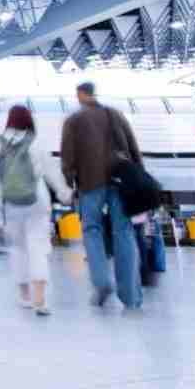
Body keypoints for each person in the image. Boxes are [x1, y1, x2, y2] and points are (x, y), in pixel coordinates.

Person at [61, 81, 144, 309]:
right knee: (123, 232)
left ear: (80, 94)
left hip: (90, 184)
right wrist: (139, 175)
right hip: (120, 181)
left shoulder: (73, 121)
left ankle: (101, 282)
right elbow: (133, 147)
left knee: (92, 230)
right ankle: (130, 296)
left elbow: (67, 157)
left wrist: (69, 182)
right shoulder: (115, 114)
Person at [0, 105, 69, 315]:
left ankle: (25, 296)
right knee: (38, 246)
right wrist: (63, 192)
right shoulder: (36, 141)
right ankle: (40, 300)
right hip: (37, 199)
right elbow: (51, 171)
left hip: (11, 203)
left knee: (18, 248)